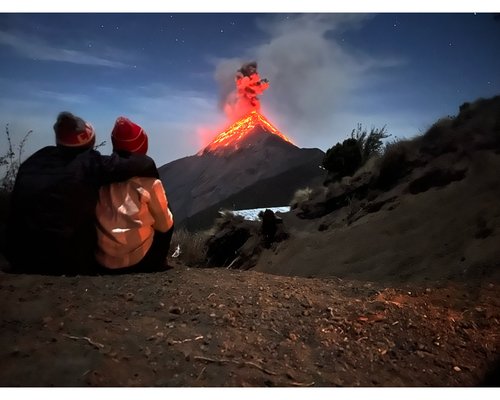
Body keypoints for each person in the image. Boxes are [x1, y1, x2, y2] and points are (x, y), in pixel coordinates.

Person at [5, 111, 159, 275]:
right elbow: (140, 163)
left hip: (20, 256)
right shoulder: (89, 164)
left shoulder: (36, 159)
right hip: (67, 260)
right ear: (89, 141)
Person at [95, 117, 174, 272]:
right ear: (142, 145)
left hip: (102, 260)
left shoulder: (99, 178)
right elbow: (164, 226)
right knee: (165, 214)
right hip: (140, 262)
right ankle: (159, 263)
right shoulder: (150, 183)